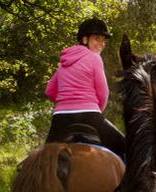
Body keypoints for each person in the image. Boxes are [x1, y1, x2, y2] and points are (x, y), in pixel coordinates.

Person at [44, 18, 125, 159]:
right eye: (97, 39)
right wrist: (97, 111)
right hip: (89, 116)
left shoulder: (64, 62)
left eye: (104, 40)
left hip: (60, 118)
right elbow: (103, 92)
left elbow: (49, 90)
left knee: (43, 161)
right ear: (85, 39)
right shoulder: (94, 58)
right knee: (126, 147)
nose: (101, 44)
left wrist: (65, 103)